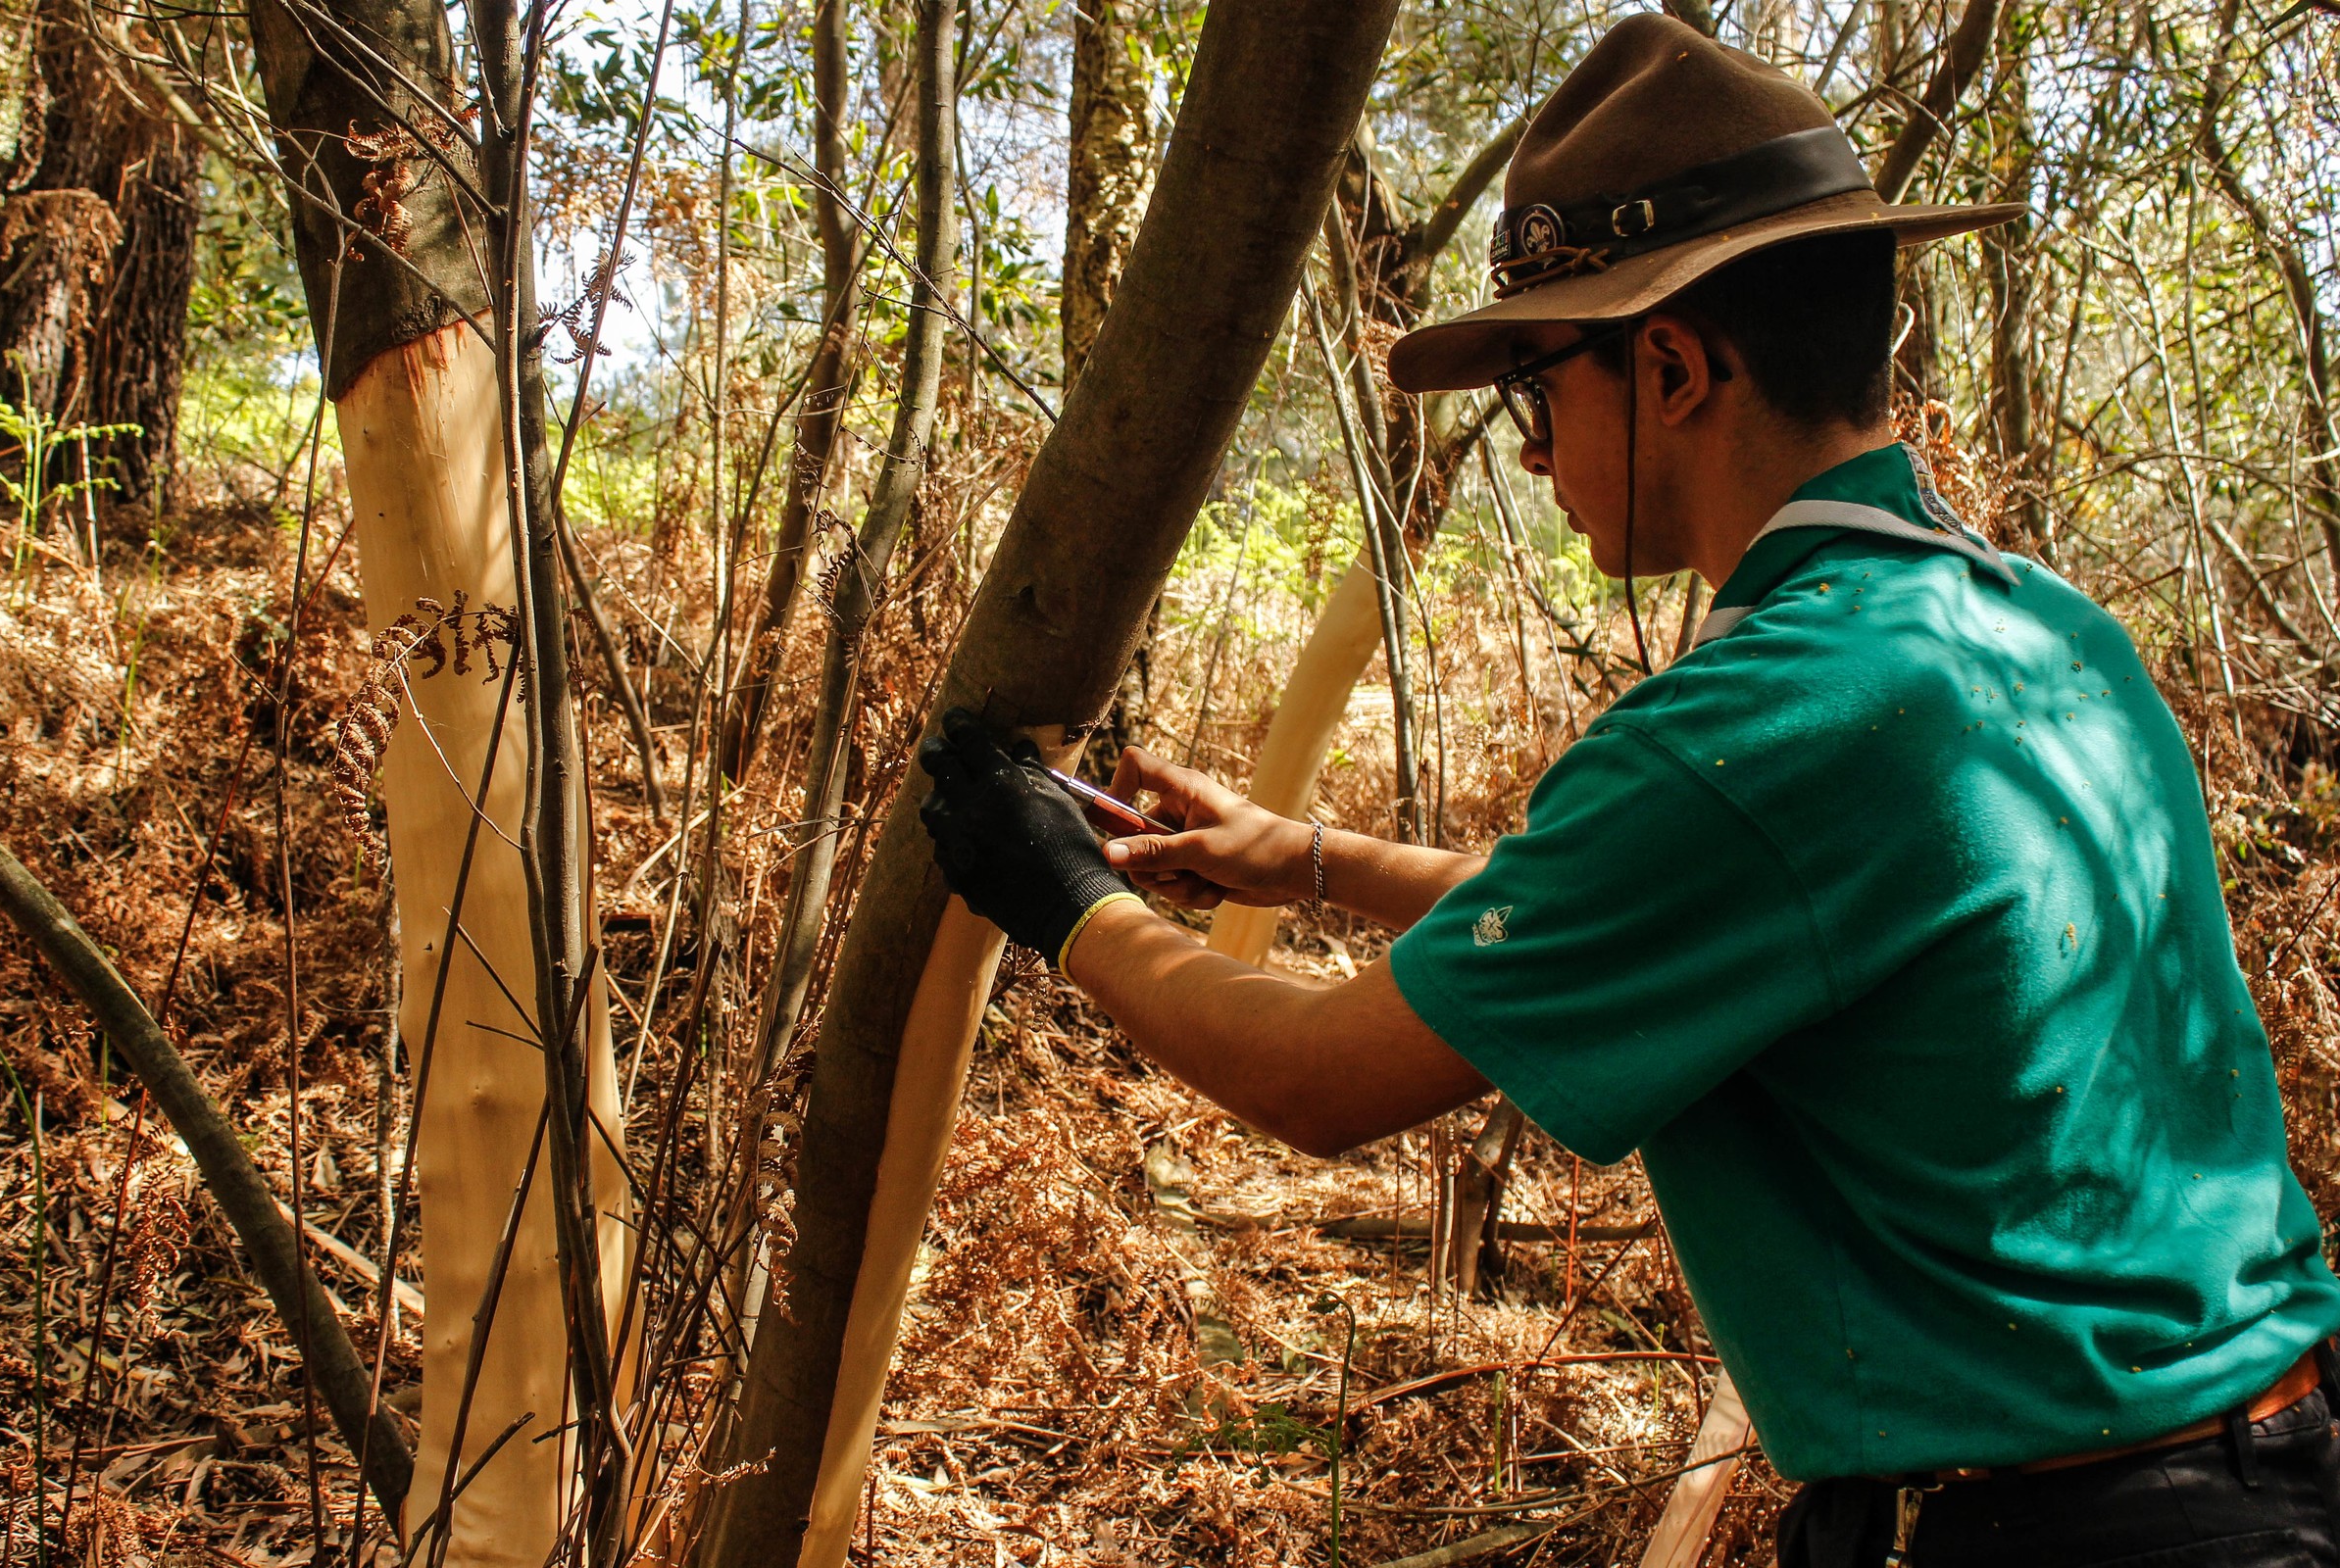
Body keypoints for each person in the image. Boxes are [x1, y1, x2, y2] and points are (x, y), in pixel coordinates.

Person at [918, 15, 2340, 1565]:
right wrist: (1302, 858)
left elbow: (1316, 1080)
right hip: (2263, 1468)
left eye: (1535, 392)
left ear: (1668, 367)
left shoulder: (1772, 721)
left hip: (2076, 1533)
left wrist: (1061, 894)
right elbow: (1729, 926)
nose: (1531, 459)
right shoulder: (2032, 631)